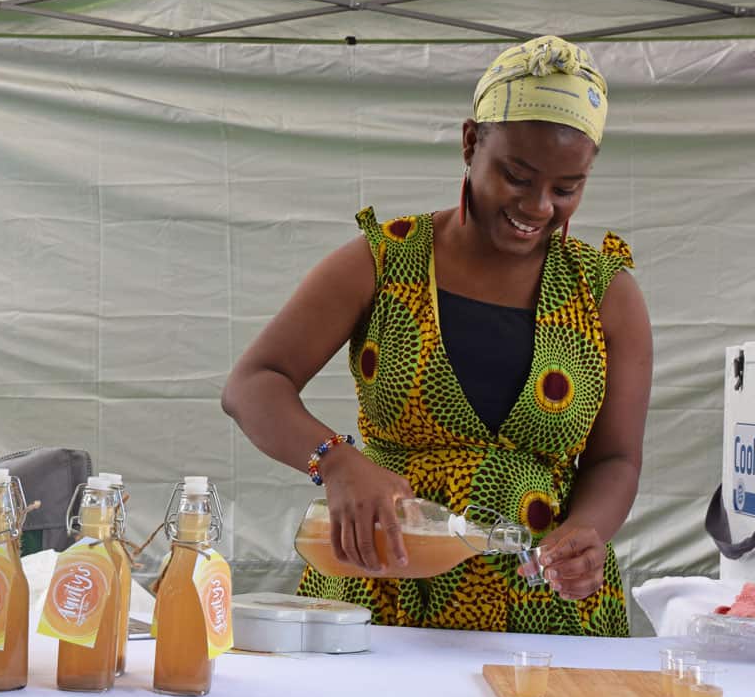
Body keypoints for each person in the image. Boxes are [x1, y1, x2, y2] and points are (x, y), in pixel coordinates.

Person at [221, 36, 652, 636]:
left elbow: (616, 458)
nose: (538, 206)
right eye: (517, 175)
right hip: (378, 591)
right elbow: (253, 384)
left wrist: (588, 533)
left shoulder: (606, 292)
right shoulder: (383, 260)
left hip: (538, 612)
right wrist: (336, 461)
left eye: (566, 188)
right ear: (471, 142)